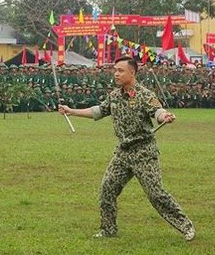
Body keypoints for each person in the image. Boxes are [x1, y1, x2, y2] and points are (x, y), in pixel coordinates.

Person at [58, 56, 195, 241]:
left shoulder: (144, 94)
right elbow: (98, 111)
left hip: (143, 152)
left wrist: (164, 116)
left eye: (120, 70)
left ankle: (185, 226)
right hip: (123, 152)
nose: (116, 73)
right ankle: (108, 229)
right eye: (115, 70)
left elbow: (157, 111)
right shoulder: (114, 95)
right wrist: (71, 111)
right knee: (107, 188)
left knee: (156, 194)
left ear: (132, 72)